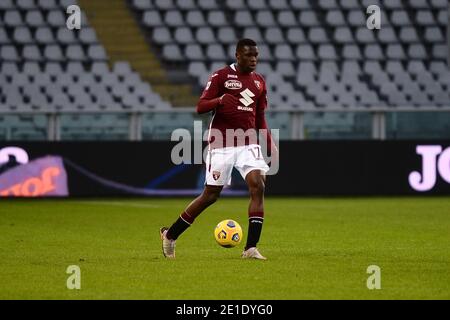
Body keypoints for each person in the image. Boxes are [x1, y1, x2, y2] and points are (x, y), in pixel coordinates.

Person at [160, 38, 278, 260]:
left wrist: (268, 140)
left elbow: (260, 117)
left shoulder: (259, 82)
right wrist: (221, 99)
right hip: (222, 142)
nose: (253, 59)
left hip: (248, 142)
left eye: (256, 55)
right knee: (210, 195)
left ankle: (250, 248)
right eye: (248, 55)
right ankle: (170, 235)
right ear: (237, 56)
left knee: (258, 185)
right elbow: (200, 106)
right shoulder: (221, 76)